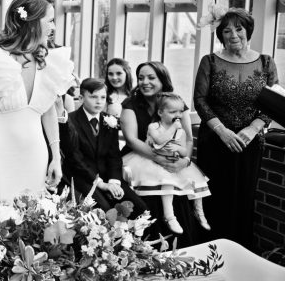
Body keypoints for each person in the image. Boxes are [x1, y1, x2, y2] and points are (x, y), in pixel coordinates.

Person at [0, 0, 73, 205]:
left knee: (30, 217)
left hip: (35, 153)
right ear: (33, 22)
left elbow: (48, 112)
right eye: (50, 21)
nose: (54, 27)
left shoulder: (50, 61)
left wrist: (56, 157)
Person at [194, 7, 278, 249]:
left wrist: (252, 129)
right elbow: (199, 100)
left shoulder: (266, 62)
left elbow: (275, 103)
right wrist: (222, 131)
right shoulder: (209, 61)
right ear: (220, 35)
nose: (233, 35)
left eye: (238, 29)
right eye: (226, 31)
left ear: (248, 30)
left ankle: (239, 252)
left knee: (244, 198)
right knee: (214, 198)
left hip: (250, 144)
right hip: (215, 141)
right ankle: (208, 252)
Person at [120, 61, 198, 243]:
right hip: (139, 158)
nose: (145, 82)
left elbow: (188, 138)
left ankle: (179, 244)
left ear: (163, 80)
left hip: (173, 157)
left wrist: (184, 161)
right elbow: (131, 140)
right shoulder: (130, 104)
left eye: (151, 77)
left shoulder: (176, 102)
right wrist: (159, 158)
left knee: (178, 191)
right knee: (153, 194)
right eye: (141, 78)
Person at [126, 92, 209, 233]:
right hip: (153, 160)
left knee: (197, 180)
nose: (178, 115)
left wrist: (178, 149)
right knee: (167, 182)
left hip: (173, 160)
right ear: (160, 112)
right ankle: (169, 216)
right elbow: (159, 140)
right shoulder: (154, 127)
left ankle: (199, 211)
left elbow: (184, 151)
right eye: (172, 112)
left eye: (180, 112)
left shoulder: (180, 131)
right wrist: (174, 128)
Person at [65, 78, 146, 214]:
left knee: (140, 208)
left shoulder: (110, 120)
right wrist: (101, 184)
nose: (99, 101)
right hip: (83, 178)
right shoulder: (71, 121)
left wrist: (114, 181)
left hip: (108, 176)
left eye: (102, 97)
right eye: (93, 97)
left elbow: (114, 156)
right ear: (81, 98)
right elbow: (75, 159)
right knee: (104, 210)